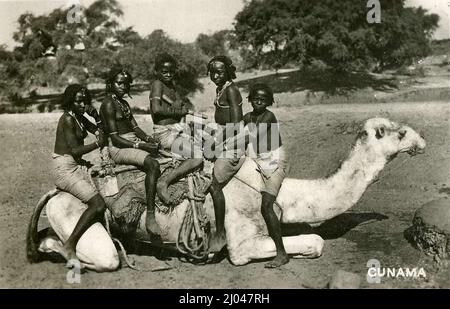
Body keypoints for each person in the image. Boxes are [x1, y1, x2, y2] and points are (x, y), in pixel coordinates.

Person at [99, 67, 162, 241]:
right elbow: (115, 138)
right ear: (111, 84)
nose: (122, 86)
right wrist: (140, 145)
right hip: (119, 148)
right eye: (119, 83)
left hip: (132, 141)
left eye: (125, 84)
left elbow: (135, 128)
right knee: (153, 164)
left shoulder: (123, 104)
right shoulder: (108, 104)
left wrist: (149, 139)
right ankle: (150, 215)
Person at [52, 84, 107, 263]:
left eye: (85, 100)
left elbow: (101, 132)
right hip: (65, 167)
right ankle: (69, 245)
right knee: (98, 204)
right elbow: (75, 150)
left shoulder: (79, 117)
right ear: (70, 102)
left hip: (76, 163)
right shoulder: (67, 119)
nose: (83, 104)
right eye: (78, 101)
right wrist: (97, 144)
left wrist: (97, 117)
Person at [243, 83, 290, 268]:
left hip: (274, 160)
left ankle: (281, 253)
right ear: (250, 100)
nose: (259, 102)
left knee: (266, 205)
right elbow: (234, 131)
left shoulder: (269, 116)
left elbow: (249, 137)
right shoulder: (247, 117)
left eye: (263, 99)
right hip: (259, 158)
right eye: (256, 98)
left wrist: (227, 140)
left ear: (269, 101)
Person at [149, 53, 203, 204]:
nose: (168, 74)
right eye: (164, 71)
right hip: (165, 133)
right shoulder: (157, 85)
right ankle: (164, 182)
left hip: (176, 129)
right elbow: (156, 109)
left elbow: (180, 104)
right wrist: (178, 112)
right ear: (156, 72)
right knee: (197, 156)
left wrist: (182, 107)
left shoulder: (171, 86)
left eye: (171, 72)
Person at [206, 55, 245, 252]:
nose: (216, 75)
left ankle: (220, 232)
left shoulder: (231, 90)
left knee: (212, 185)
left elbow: (236, 125)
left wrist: (215, 144)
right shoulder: (220, 88)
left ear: (228, 72)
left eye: (220, 72)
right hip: (223, 136)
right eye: (212, 72)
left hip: (233, 142)